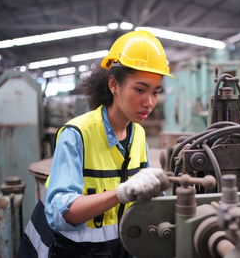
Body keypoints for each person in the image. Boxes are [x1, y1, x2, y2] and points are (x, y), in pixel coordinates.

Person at [18, 30, 174, 258]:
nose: (149, 102)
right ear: (114, 84)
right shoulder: (76, 134)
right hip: (74, 251)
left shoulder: (138, 135)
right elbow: (63, 214)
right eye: (140, 90)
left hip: (121, 248)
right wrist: (121, 193)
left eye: (156, 92)